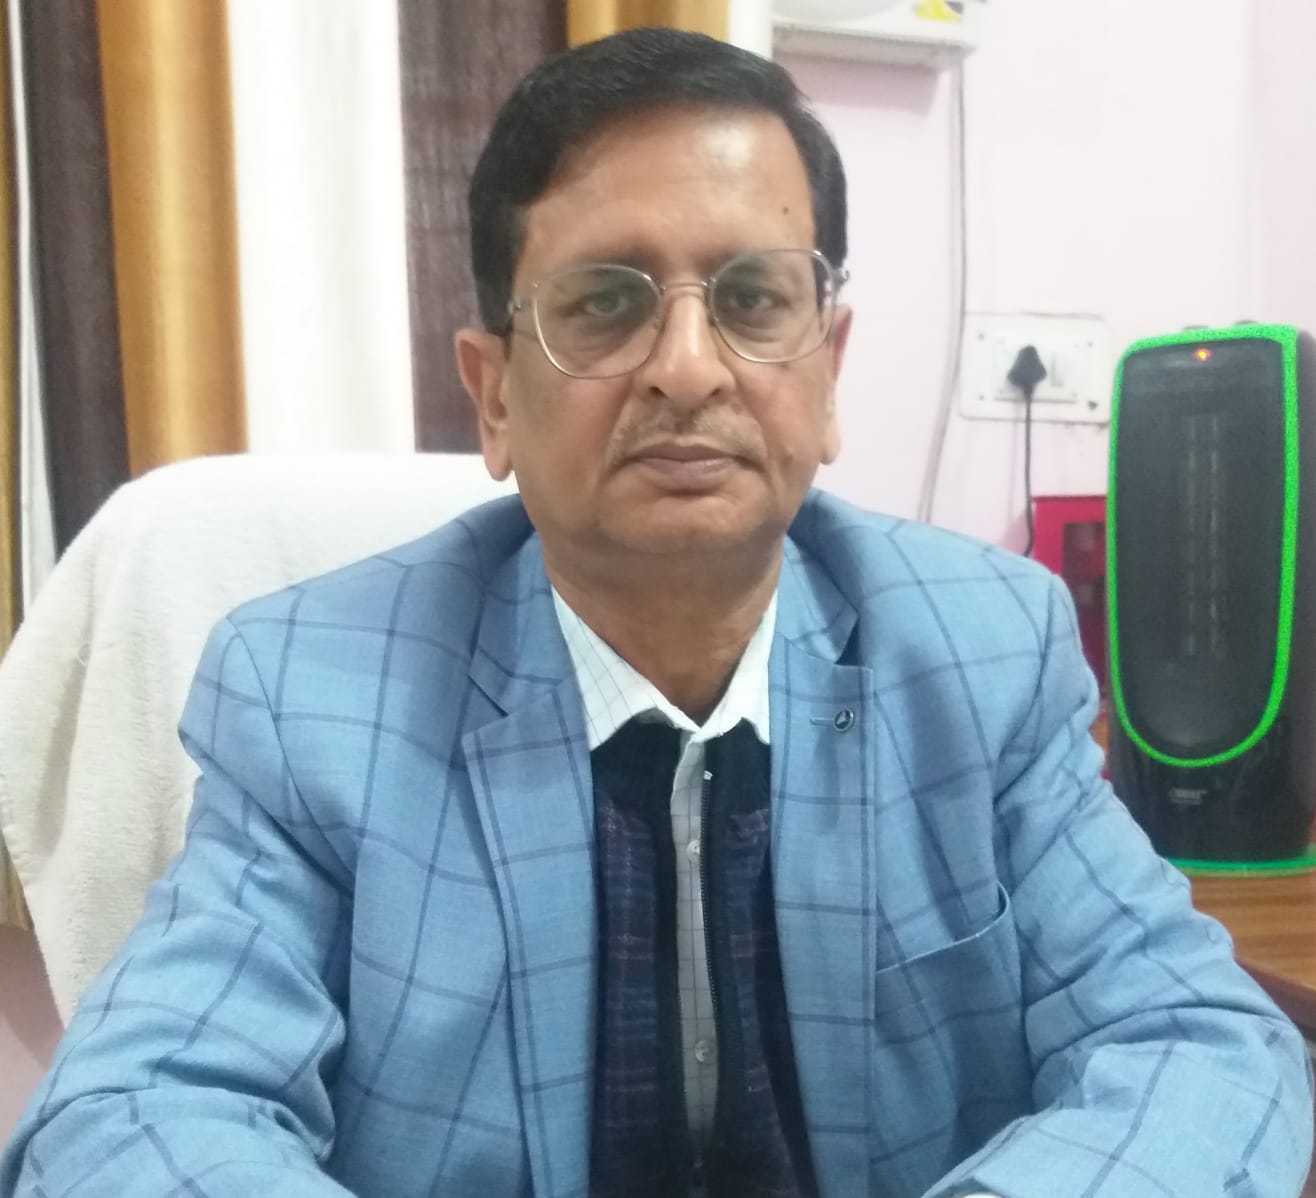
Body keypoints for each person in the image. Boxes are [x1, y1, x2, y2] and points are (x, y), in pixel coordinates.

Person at [2, 26, 1311, 1198]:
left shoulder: (983, 653)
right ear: (494, 395)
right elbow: (136, 1112)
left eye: (752, 299)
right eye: (604, 303)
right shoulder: (312, 693)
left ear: (828, 367)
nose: (687, 370)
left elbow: (1196, 1041)